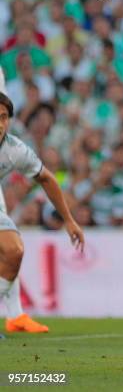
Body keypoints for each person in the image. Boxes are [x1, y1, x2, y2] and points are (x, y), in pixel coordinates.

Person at [0, 92, 84, 333]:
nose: (0, 123)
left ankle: (14, 317)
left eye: (4, 117)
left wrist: (69, 220)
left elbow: (46, 179)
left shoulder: (15, 149)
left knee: (13, 250)